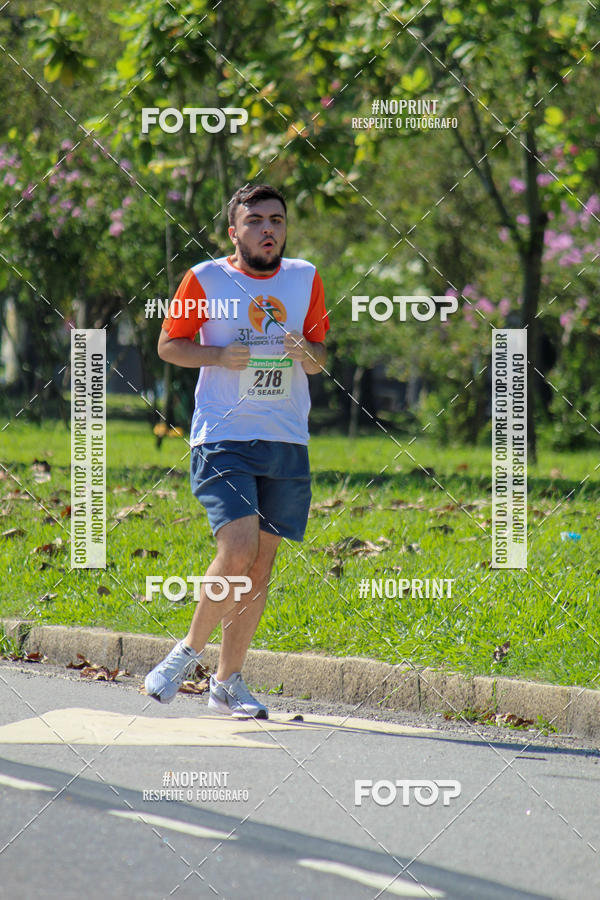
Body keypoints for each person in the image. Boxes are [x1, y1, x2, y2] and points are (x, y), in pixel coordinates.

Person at [144, 184, 329, 719]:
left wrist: (305, 352)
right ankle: (187, 653)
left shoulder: (304, 278)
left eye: (276, 220)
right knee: (239, 549)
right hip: (223, 435)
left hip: (287, 437)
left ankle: (227, 681)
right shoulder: (205, 278)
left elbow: (319, 360)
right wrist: (219, 355)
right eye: (255, 221)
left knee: (262, 565)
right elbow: (169, 345)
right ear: (234, 230)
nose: (267, 229)